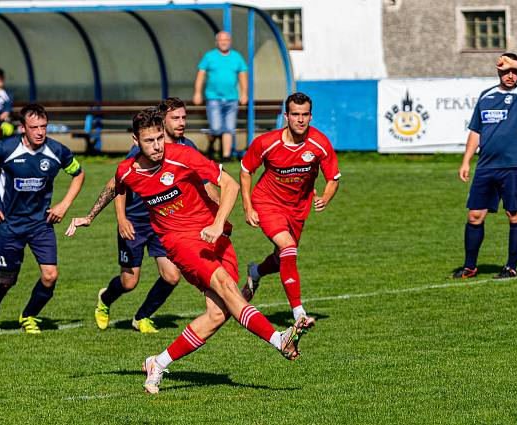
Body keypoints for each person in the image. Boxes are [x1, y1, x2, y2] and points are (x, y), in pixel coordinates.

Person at [65, 108, 308, 394]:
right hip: (180, 241)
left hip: (213, 235)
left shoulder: (182, 156)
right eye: (148, 141)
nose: (156, 146)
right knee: (227, 286)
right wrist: (90, 217)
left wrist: (218, 224)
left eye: (159, 138)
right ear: (135, 141)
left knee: (218, 315)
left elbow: (228, 184)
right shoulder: (128, 170)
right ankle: (279, 339)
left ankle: (158, 361)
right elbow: (115, 186)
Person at [93, 98, 218, 333]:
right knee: (130, 281)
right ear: (163, 121)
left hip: (165, 223)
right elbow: (117, 184)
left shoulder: (187, 147)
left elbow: (204, 182)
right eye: (175, 118)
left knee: (171, 276)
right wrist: (121, 218)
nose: (181, 123)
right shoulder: (144, 147)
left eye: (184, 117)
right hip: (136, 222)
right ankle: (105, 300)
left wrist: (220, 211)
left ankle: (142, 316)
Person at [0, 104, 85, 334]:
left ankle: (28, 315)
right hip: (9, 224)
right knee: (6, 280)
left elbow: (78, 174)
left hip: (41, 224)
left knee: (50, 275)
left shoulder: (57, 151)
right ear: (22, 128)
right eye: (34, 127)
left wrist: (64, 205)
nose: (40, 132)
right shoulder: (5, 149)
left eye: (43, 126)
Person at [239, 92, 341, 327]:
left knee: (283, 257)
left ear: (311, 116)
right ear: (286, 116)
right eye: (295, 114)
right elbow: (246, 170)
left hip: (298, 209)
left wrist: (325, 197)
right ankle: (298, 312)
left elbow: (333, 178)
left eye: (305, 114)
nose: (300, 120)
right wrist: (248, 206)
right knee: (288, 247)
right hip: (268, 203)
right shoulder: (267, 143)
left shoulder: (319, 143)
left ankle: (256, 272)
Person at [452, 53, 517, 280]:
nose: (511, 75)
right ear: (498, 71)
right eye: (506, 71)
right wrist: (466, 160)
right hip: (486, 167)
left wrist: (513, 62)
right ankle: (470, 267)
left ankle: (511, 267)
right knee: (475, 216)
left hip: (514, 166)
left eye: (514, 71)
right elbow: (476, 131)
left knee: (513, 213)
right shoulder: (486, 97)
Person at [193, 31, 248, 162]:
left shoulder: (236, 57)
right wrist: (197, 92)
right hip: (213, 98)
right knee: (216, 128)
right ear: (217, 42)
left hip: (232, 99)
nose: (224, 42)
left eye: (226, 40)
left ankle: (226, 156)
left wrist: (244, 93)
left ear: (230, 41)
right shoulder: (209, 56)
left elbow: (243, 75)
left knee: (229, 128)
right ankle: (211, 145)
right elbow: (201, 74)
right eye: (221, 40)